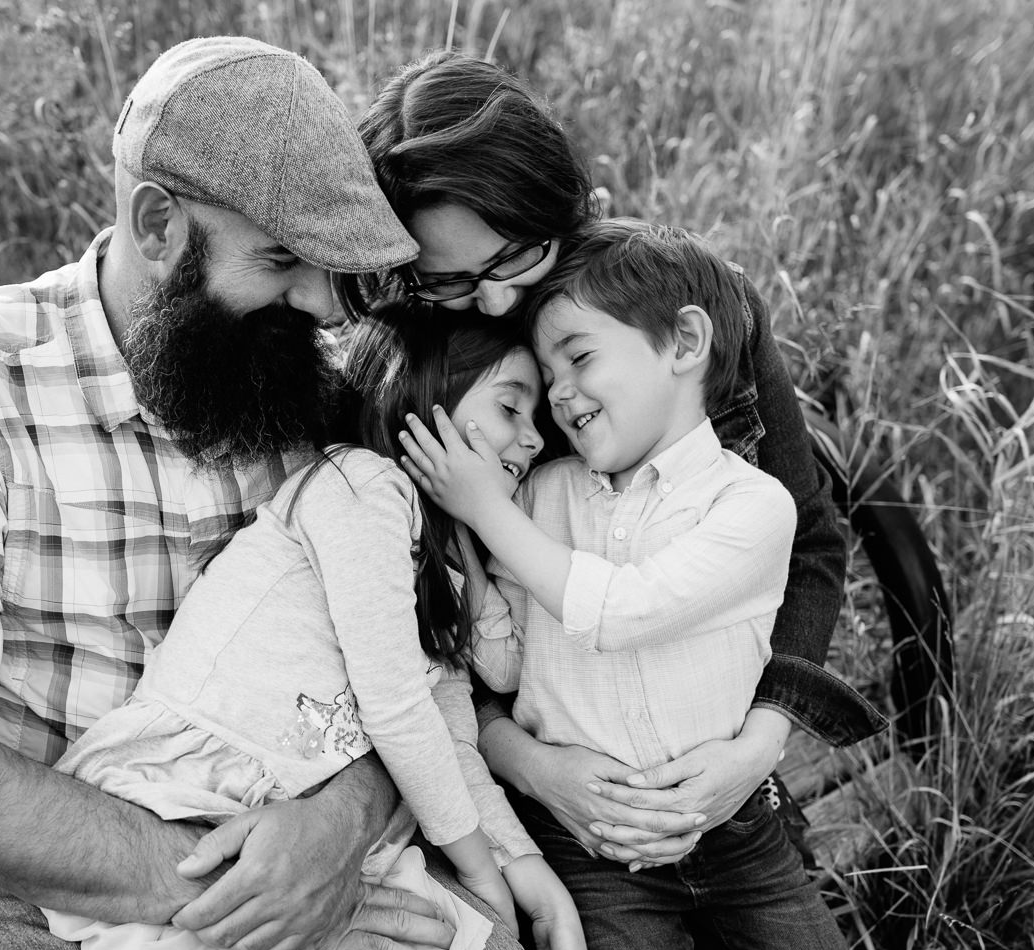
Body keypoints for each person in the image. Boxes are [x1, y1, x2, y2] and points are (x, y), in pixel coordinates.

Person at [0, 36, 564, 950]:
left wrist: (337, 825)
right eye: (280, 259)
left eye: (326, 264)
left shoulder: (307, 385)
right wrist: (238, 892)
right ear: (156, 224)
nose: (317, 299)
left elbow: (408, 659)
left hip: (322, 822)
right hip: (62, 873)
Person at [345, 49, 885, 874]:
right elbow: (409, 625)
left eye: (512, 258)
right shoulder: (406, 358)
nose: (494, 302)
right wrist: (527, 762)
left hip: (713, 752)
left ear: (568, 209)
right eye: (447, 280)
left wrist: (758, 743)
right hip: (524, 774)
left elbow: (807, 541)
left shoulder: (677, 309)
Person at [38, 304, 590, 950]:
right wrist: (481, 872)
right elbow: (395, 707)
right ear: (420, 397)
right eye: (511, 407)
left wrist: (477, 527)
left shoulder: (432, 563)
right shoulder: (360, 487)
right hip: (189, 799)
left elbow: (484, 688)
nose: (534, 439)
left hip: (297, 819)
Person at [400, 219, 872, 950]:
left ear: (686, 343)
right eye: (548, 373)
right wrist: (477, 567)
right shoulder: (545, 495)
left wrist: (489, 514)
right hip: (590, 846)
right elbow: (501, 666)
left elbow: (623, 612)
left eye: (579, 358)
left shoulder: (751, 505)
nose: (557, 393)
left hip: (737, 830)